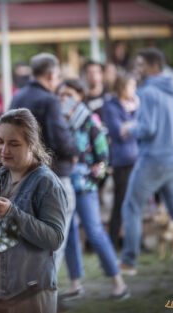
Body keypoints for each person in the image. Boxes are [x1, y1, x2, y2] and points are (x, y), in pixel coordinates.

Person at [0, 108, 66, 313]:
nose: (4, 150)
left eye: (14, 144)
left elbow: (55, 238)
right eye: (0, 141)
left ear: (32, 144)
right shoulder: (0, 175)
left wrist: (11, 213)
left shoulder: (45, 182)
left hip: (28, 293)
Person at [119, 48, 173, 275]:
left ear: (153, 65)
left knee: (131, 207)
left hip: (152, 160)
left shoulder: (148, 92)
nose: (137, 69)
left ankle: (128, 262)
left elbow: (148, 128)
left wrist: (129, 128)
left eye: (140, 64)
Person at [56, 79, 129, 301]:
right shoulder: (57, 121)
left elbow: (103, 155)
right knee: (68, 235)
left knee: (95, 232)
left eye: (68, 94)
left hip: (85, 187)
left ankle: (119, 282)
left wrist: (91, 177)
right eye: (60, 95)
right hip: (64, 185)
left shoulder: (90, 120)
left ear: (80, 95)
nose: (64, 99)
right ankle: (75, 284)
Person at [10, 53, 78, 272]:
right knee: (54, 241)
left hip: (25, 177)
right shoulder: (49, 100)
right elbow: (61, 140)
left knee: (30, 241)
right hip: (55, 176)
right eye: (57, 77)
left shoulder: (18, 97)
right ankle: (46, 294)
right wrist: (76, 152)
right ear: (51, 74)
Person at [102, 74, 139, 249]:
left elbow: (141, 128)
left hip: (138, 158)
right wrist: (135, 124)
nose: (134, 90)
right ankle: (113, 240)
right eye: (131, 86)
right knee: (120, 201)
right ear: (122, 87)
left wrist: (131, 124)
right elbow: (118, 133)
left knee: (136, 202)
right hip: (122, 160)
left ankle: (137, 241)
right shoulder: (110, 106)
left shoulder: (136, 105)